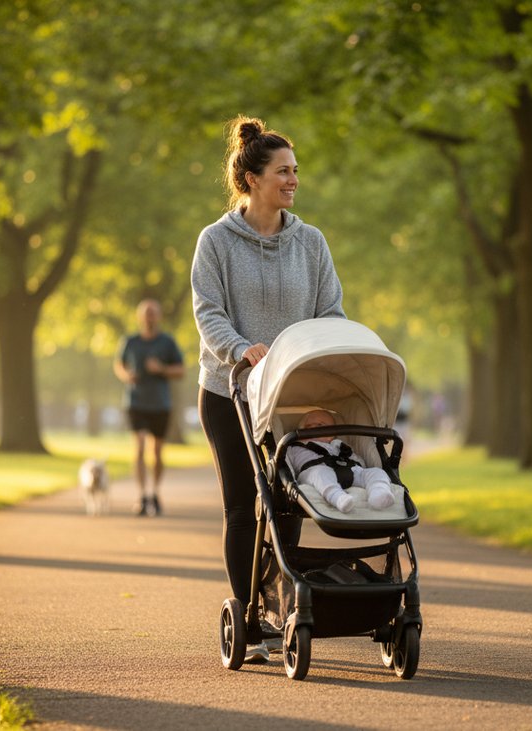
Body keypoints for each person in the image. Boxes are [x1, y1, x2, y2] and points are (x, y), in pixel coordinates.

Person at [192, 115, 345, 664]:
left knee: (288, 505)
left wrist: (324, 367)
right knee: (241, 507)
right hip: (230, 391)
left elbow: (331, 311)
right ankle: (247, 614)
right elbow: (208, 313)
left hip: (291, 397)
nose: (294, 180)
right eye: (283, 171)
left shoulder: (311, 243)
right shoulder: (215, 242)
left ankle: (280, 600)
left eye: (296, 171)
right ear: (252, 179)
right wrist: (242, 348)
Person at [114, 298, 186, 516]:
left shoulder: (167, 342)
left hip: (160, 404)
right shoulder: (130, 341)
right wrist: (127, 375)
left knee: (156, 452)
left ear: (159, 316)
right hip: (135, 403)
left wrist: (161, 369)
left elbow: (181, 370)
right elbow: (119, 365)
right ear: (139, 317)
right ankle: (142, 496)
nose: (149, 317)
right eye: (146, 313)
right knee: (138, 447)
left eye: (153, 313)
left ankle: (155, 492)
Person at [284, 409, 396, 513]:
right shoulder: (294, 447)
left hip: (347, 469)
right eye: (307, 426)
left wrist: (361, 470)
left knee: (376, 472)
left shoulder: (339, 445)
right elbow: (286, 464)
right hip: (313, 473)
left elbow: (358, 461)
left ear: (331, 435)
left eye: (320, 425)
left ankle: (379, 493)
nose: (313, 428)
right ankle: (338, 497)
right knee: (319, 473)